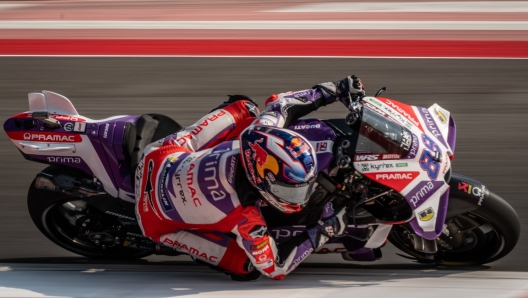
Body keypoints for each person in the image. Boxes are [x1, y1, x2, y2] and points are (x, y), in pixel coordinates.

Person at [135, 75, 365, 280]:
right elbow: (276, 268)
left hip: (160, 156)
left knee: (245, 107)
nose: (299, 199)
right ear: (261, 178)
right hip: (156, 221)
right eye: (289, 190)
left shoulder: (259, 133)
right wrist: (326, 230)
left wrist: (335, 89)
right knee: (247, 266)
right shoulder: (248, 221)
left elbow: (282, 106)